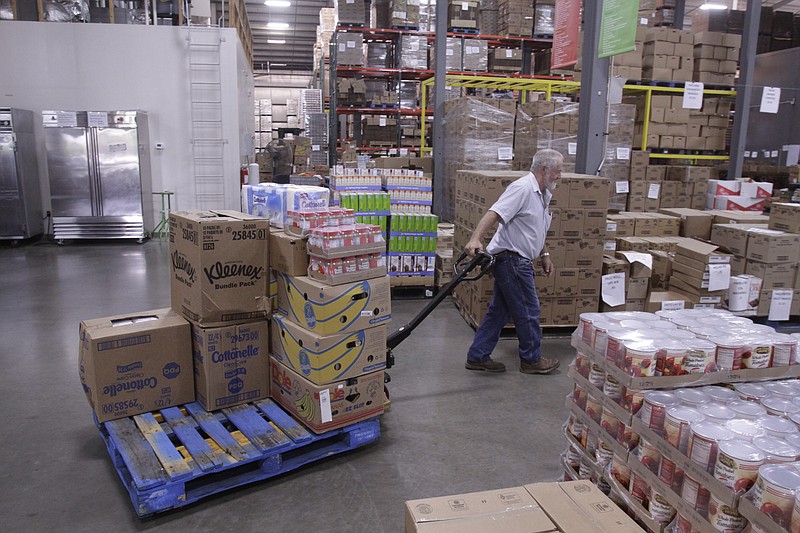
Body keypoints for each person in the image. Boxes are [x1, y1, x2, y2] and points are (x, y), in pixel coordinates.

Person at [464, 149, 563, 374]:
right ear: (544, 169)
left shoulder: (543, 194)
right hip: (512, 260)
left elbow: (536, 228)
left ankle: (478, 356)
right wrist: (475, 239)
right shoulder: (522, 188)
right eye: (557, 171)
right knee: (529, 309)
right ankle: (531, 360)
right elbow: (495, 212)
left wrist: (545, 254)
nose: (559, 176)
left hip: (517, 260)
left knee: (499, 311)